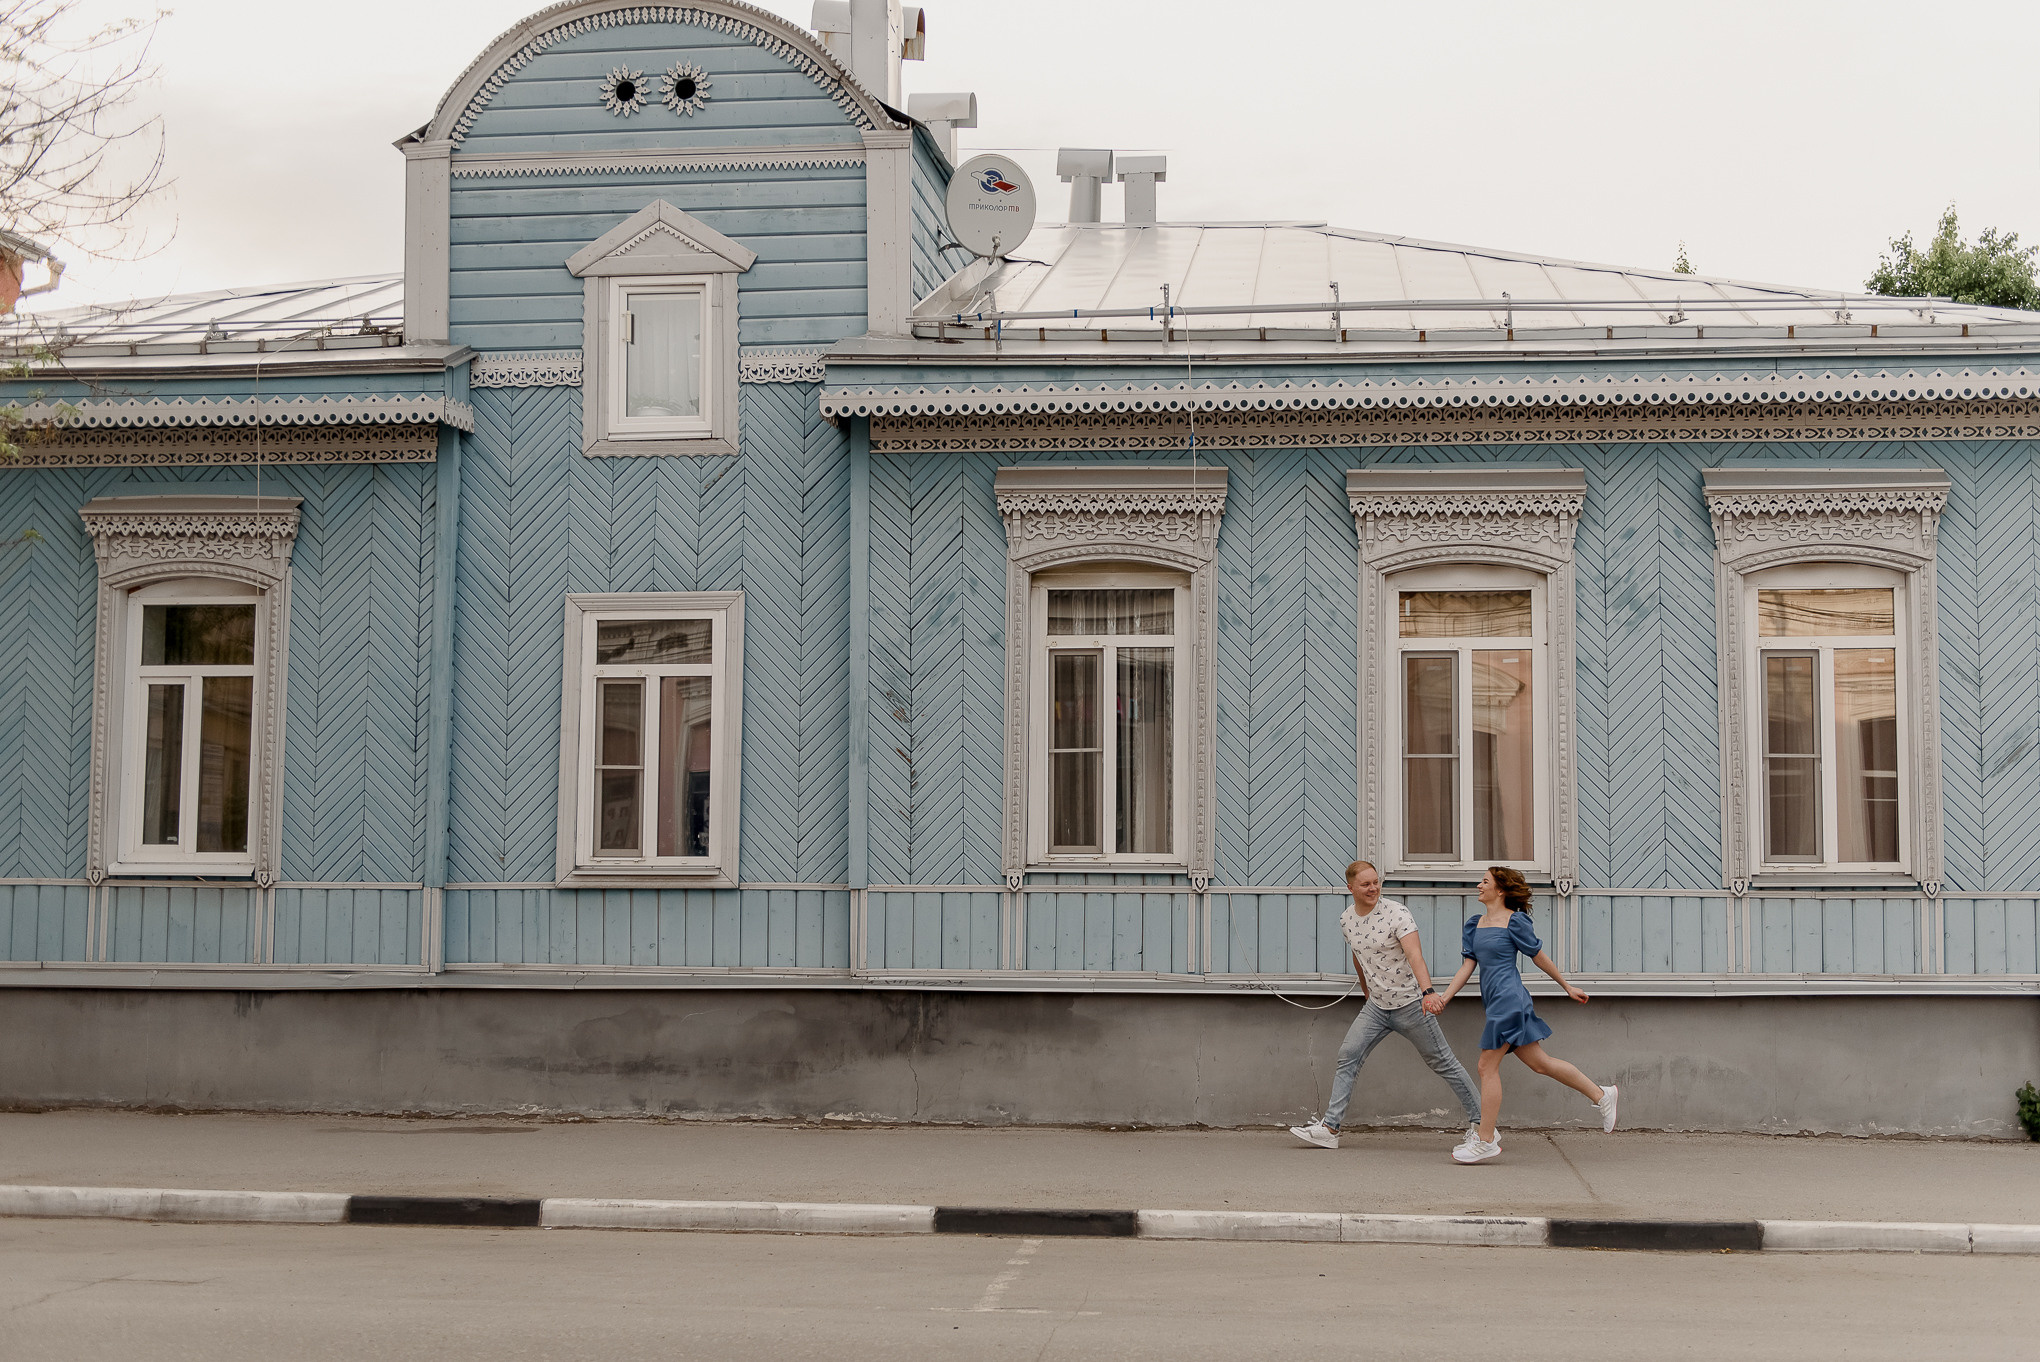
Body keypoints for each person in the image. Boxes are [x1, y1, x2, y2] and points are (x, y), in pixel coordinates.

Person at [1288, 860, 1483, 1151]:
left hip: (1411, 1005)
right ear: (1350, 887)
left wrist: (1429, 992)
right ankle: (1330, 1129)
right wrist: (1367, 992)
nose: (1373, 888)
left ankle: (1482, 1126)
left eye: (1376, 882)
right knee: (1348, 1056)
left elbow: (1415, 954)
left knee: (1443, 1062)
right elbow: (1358, 956)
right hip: (1377, 1008)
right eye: (1366, 884)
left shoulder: (1397, 913)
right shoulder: (1346, 919)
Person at [1434, 866, 1618, 1164]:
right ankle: (1602, 1095)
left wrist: (1566, 986)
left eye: (1485, 881)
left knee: (1485, 1067)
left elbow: (1538, 957)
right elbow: (1468, 966)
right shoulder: (1475, 924)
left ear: (1501, 890)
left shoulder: (1515, 922)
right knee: (1541, 1064)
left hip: (1510, 1001)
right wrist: (1444, 997)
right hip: (1495, 1003)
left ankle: (1485, 1139)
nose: (1479, 885)